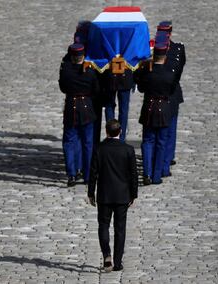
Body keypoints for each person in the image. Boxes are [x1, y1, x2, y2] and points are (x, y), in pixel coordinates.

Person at [88, 119, 138, 272]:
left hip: (104, 195)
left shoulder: (99, 149)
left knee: (103, 225)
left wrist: (91, 192)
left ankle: (106, 255)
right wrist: (133, 194)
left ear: (106, 131)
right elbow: (133, 175)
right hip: (122, 195)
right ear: (120, 131)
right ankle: (117, 262)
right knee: (120, 229)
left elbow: (93, 173)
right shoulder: (128, 150)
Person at [59, 43, 99, 186]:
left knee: (69, 141)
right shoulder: (89, 71)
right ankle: (88, 175)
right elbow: (95, 89)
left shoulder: (66, 71)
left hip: (71, 107)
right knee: (87, 143)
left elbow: (63, 88)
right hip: (86, 107)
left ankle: (72, 173)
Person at [136, 43, 177, 185]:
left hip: (149, 107)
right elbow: (172, 90)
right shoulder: (170, 73)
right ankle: (156, 175)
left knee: (148, 141)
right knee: (161, 142)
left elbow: (140, 88)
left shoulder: (147, 72)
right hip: (164, 107)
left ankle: (146, 173)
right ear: (165, 57)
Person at [156, 21, 186, 175]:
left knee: (170, 129)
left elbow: (178, 70)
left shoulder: (178, 49)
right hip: (165, 93)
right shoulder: (175, 49)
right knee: (168, 129)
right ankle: (164, 161)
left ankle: (166, 159)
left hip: (170, 92)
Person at [103, 67, 134, 142]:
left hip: (110, 75)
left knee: (110, 107)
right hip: (125, 75)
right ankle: (121, 138)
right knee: (123, 109)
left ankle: (111, 135)